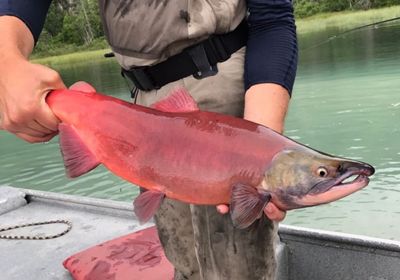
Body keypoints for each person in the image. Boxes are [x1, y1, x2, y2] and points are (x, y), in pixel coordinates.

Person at [0, 1, 297, 279]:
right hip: (141, 109)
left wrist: (259, 147)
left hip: (231, 91)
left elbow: (271, 15)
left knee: (239, 266)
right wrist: (6, 61)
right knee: (183, 258)